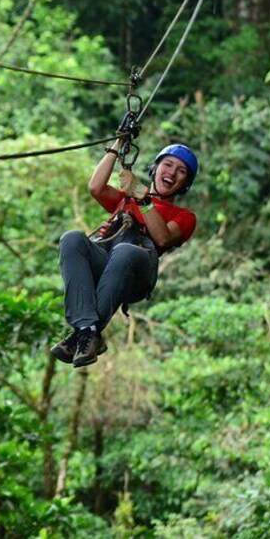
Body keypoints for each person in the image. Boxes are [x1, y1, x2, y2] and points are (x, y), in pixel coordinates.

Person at [50, 139, 199, 368]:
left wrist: (141, 195)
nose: (172, 173)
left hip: (137, 270)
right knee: (71, 239)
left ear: (185, 183)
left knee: (124, 250)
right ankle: (87, 330)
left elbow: (162, 237)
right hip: (108, 261)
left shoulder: (184, 216)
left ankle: (86, 333)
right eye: (168, 165)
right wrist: (118, 144)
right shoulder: (124, 200)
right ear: (155, 168)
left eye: (181, 171)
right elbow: (96, 187)